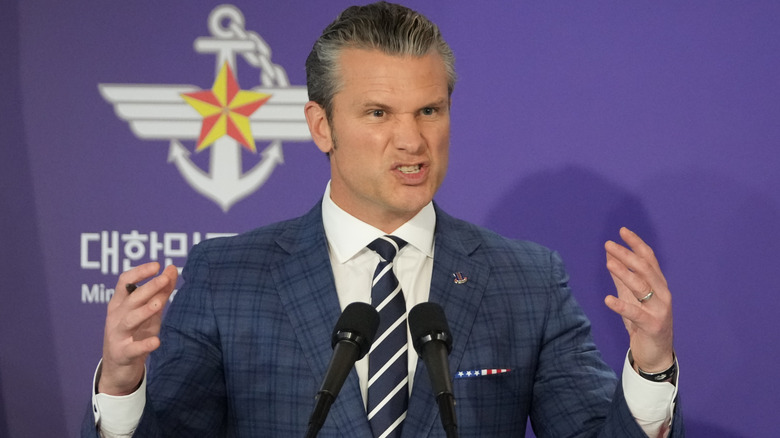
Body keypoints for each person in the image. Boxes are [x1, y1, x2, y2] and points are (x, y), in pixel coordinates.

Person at [83, 2, 682, 437]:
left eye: (430, 110)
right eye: (378, 112)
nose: (412, 139)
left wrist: (651, 369)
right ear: (322, 126)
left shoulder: (526, 280)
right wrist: (121, 385)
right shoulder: (228, 276)